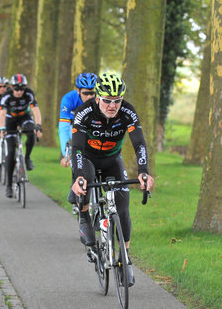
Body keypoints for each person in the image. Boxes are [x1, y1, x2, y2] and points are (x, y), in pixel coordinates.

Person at [70, 72, 154, 287]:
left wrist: (144, 171)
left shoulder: (127, 111)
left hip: (112, 160)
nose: (112, 106)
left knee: (123, 207)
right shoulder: (84, 112)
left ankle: (124, 258)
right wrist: (79, 176)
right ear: (97, 98)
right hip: (86, 159)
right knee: (84, 186)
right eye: (107, 101)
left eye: (117, 101)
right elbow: (77, 148)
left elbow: (139, 143)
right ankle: (84, 215)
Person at [0, 74, 42, 198]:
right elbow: (1, 115)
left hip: (24, 117)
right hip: (10, 119)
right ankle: (8, 185)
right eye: (16, 89)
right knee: (11, 152)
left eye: (22, 89)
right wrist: (2, 129)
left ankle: (27, 158)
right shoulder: (6, 96)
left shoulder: (29, 94)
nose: (19, 92)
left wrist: (38, 125)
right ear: (12, 88)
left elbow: (36, 111)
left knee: (31, 132)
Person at [59, 73, 97, 212]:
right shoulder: (69, 99)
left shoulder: (100, 100)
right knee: (77, 157)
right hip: (72, 128)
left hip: (92, 129)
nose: (89, 97)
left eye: (92, 93)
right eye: (85, 93)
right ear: (78, 91)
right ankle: (76, 190)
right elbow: (63, 128)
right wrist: (66, 153)